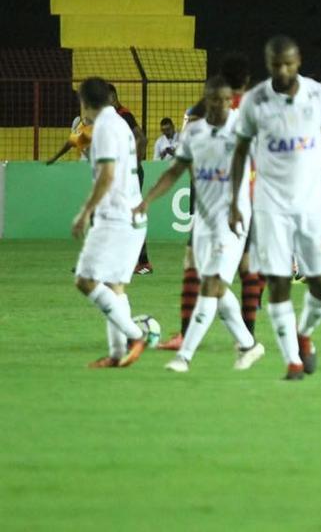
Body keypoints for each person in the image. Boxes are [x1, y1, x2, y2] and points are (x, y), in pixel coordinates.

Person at [228, 36, 321, 381]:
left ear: (298, 61)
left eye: (288, 64)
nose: (282, 71)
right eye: (276, 65)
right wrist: (235, 201)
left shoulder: (319, 95)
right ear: (268, 64)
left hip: (312, 206)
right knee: (279, 283)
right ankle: (292, 361)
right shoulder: (255, 101)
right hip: (270, 206)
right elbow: (239, 153)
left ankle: (304, 332)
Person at [133, 75, 266, 372]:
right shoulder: (194, 132)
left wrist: (235, 206)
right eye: (215, 100)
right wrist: (147, 199)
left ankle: (184, 357)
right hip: (204, 220)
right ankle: (248, 345)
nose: (221, 105)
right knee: (218, 290)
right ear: (207, 100)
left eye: (225, 100)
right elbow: (175, 170)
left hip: (233, 220)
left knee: (211, 285)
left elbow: (240, 169)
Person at [70, 77, 151, 368]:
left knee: (85, 280)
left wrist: (85, 212)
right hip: (132, 215)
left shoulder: (104, 127)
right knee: (114, 286)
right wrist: (86, 146)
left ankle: (135, 335)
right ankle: (117, 354)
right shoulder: (118, 124)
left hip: (114, 217)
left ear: (84, 102)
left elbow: (106, 176)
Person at [107, 83, 154, 275]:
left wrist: (134, 164)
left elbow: (142, 138)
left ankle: (143, 262)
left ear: (112, 97)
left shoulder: (124, 115)